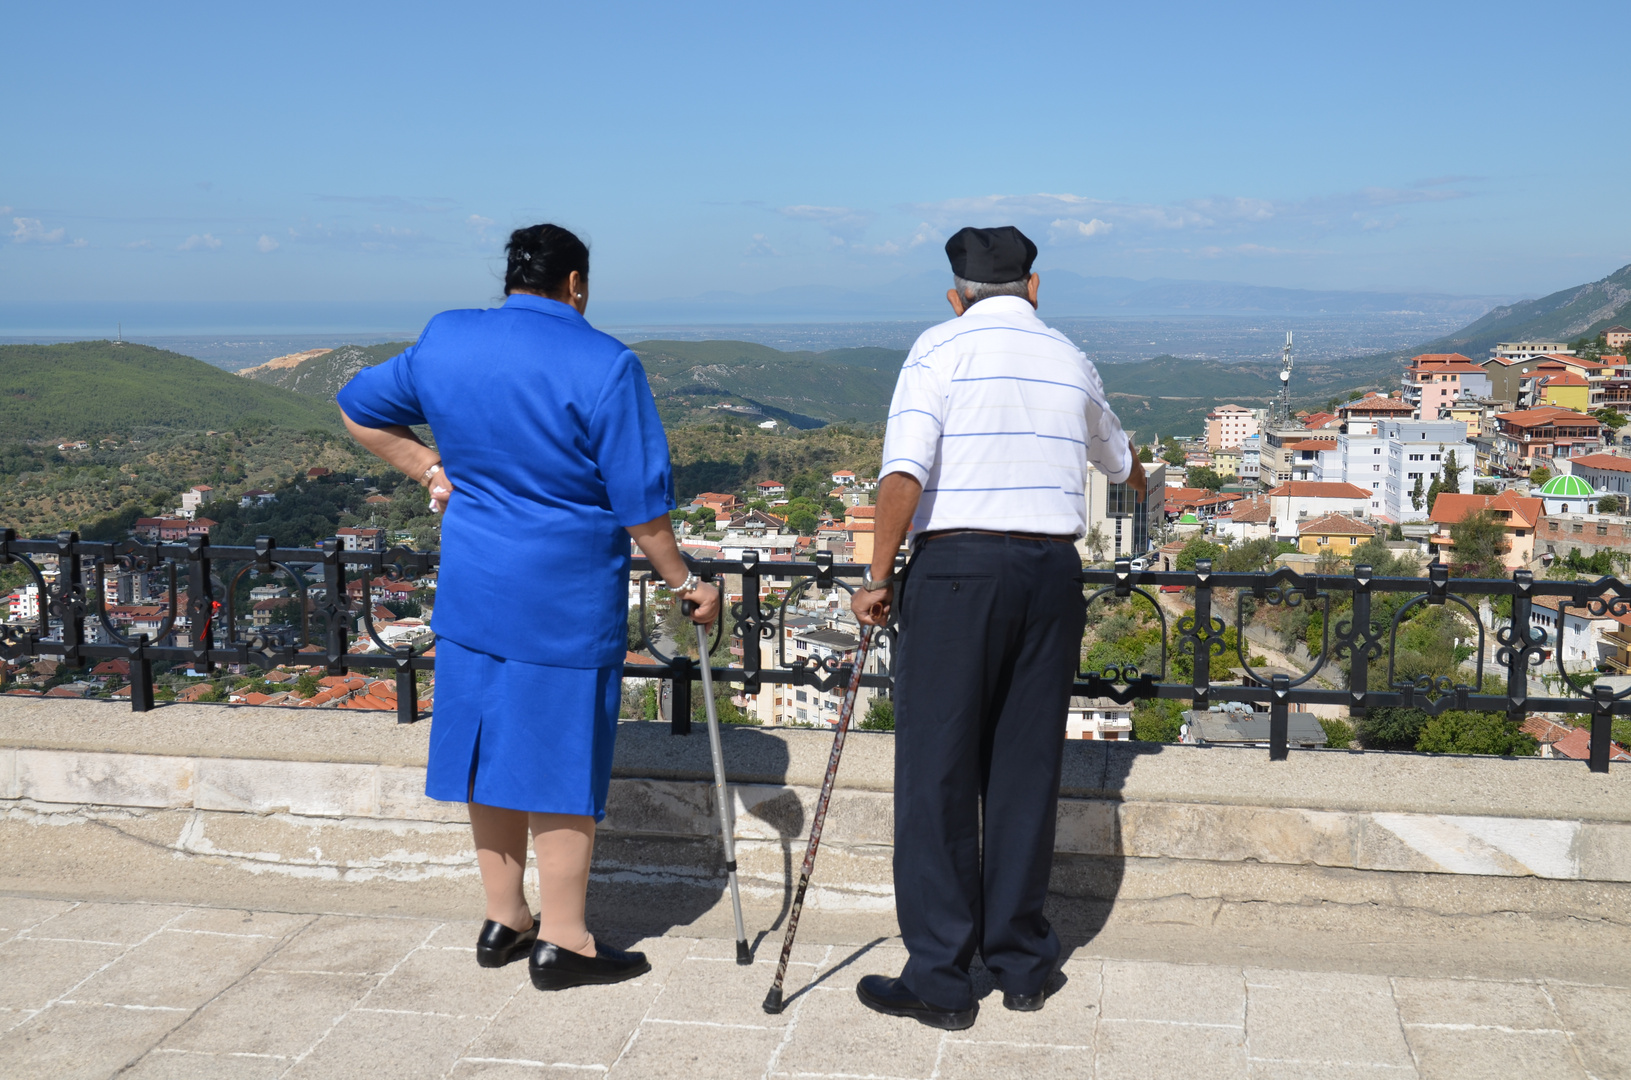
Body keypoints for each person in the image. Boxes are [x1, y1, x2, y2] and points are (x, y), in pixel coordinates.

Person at [337, 223, 718, 992]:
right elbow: (642, 515)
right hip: (565, 597)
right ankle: (567, 939)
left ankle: (504, 915)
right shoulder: (605, 363)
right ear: (574, 284)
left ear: (511, 278)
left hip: (476, 585)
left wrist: (427, 466)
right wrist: (687, 586)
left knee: (486, 754)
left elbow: (356, 407)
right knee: (559, 761)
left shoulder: (446, 338)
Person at [850, 226, 1144, 1029]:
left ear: (957, 294)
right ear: (1033, 287)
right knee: (1024, 769)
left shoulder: (937, 349)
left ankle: (941, 979)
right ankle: (1021, 962)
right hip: (1051, 573)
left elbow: (903, 472)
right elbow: (1125, 469)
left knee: (938, 771)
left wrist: (877, 578)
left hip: (957, 574)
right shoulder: (1069, 356)